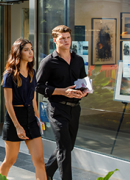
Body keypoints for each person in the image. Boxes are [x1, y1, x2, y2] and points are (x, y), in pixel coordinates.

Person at [36, 25, 88, 180]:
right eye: (62, 38)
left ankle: (46, 172)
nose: (66, 41)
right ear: (55, 40)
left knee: (68, 146)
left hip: (75, 109)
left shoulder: (78, 59)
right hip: (57, 109)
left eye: (68, 38)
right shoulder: (48, 62)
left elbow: (84, 81)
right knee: (64, 148)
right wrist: (62, 91)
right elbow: (38, 86)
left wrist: (84, 92)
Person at [0, 38, 46, 180]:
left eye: (31, 49)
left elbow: (33, 98)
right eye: (26, 49)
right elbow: (8, 102)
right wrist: (18, 126)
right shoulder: (9, 74)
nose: (30, 52)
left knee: (40, 161)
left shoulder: (32, 72)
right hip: (15, 118)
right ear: (18, 53)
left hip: (31, 118)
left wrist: (38, 119)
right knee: (10, 160)